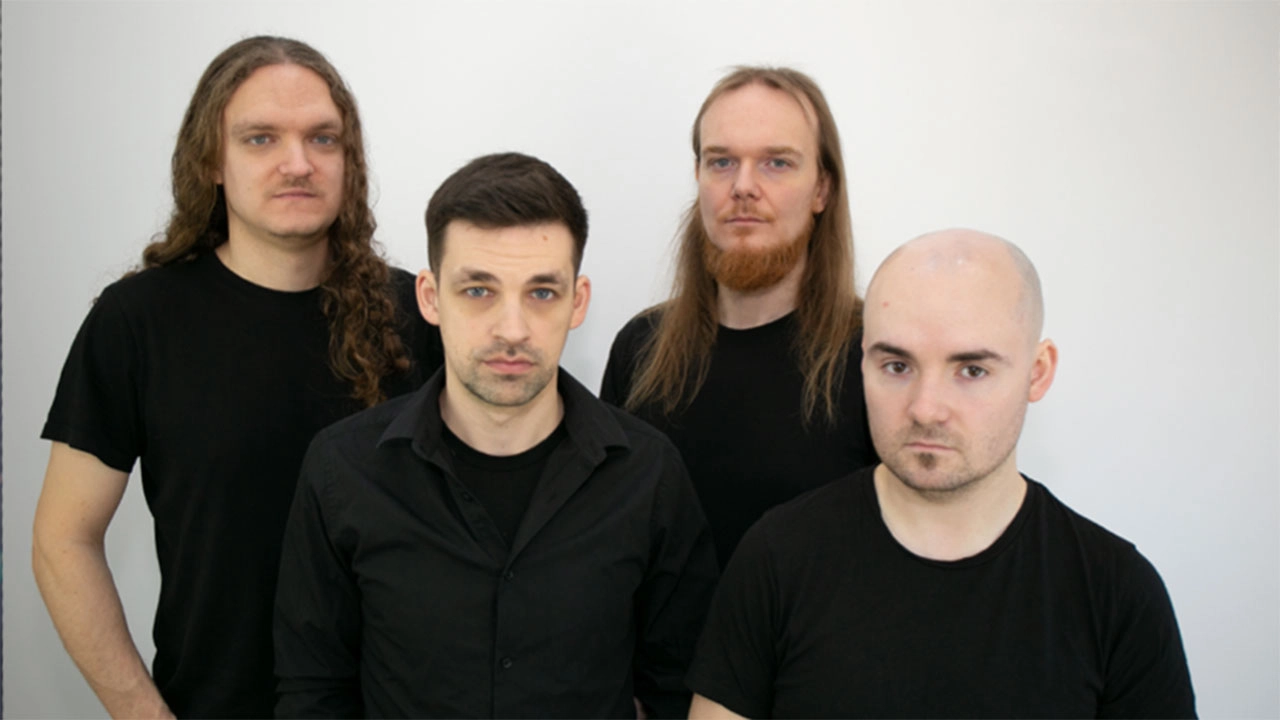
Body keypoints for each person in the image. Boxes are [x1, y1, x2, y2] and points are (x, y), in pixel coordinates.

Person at [32, 36, 441, 718]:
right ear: (211, 162)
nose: (298, 163)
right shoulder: (139, 321)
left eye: (323, 138)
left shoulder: (418, 315)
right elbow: (62, 541)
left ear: (350, 161)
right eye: (260, 139)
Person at [273, 152, 719, 718]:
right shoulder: (344, 471)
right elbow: (312, 693)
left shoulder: (648, 475)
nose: (513, 329)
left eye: (542, 292)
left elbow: (679, 690)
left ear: (578, 301)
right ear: (430, 297)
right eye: (479, 291)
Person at [686, 229, 1197, 718]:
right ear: (863, 362)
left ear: (1037, 372)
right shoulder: (776, 558)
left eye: (971, 370)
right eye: (897, 366)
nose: (926, 409)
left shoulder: (1116, 593)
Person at [600, 66, 877, 566]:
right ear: (699, 177)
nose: (743, 186)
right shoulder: (640, 349)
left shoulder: (876, 359)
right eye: (722, 161)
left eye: (777, 163)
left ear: (822, 189)